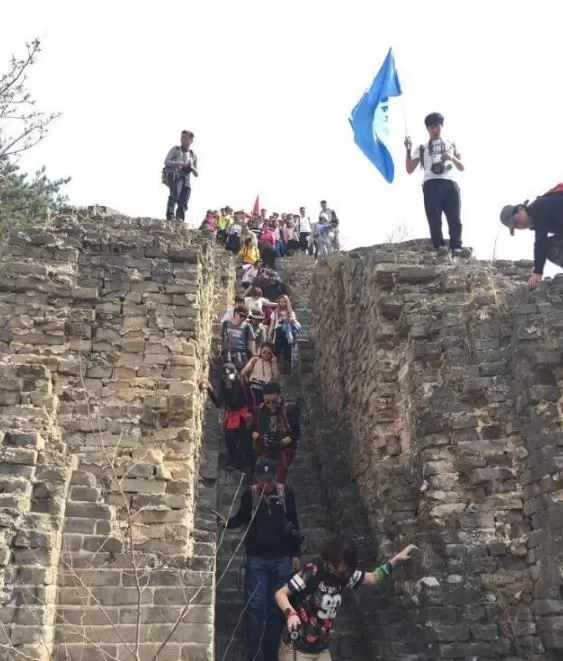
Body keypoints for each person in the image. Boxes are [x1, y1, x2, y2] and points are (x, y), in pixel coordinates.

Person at [275, 536, 418, 660]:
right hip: (296, 647)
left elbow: (374, 577)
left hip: (320, 649)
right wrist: (291, 614)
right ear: (330, 562)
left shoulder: (345, 575)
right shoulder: (313, 571)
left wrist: (396, 560)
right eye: (341, 567)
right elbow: (280, 594)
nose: (344, 572)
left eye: (347, 568)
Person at [216, 458, 302, 661]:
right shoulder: (250, 495)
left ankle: (271, 654)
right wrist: (227, 523)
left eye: (269, 480)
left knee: (276, 609)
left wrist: (296, 554)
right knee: (255, 608)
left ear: (275, 478)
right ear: (257, 478)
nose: (266, 484)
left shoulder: (285, 494)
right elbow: (243, 517)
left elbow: (295, 524)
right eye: (262, 480)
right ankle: (254, 654)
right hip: (257, 560)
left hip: (281, 559)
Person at [404, 112, 470, 258]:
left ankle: (456, 247)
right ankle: (439, 247)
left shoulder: (451, 144)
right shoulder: (422, 147)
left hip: (450, 182)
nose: (434, 130)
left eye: (437, 127)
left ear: (441, 126)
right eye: (431, 127)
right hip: (430, 183)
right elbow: (409, 169)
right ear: (427, 129)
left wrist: (451, 158)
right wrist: (408, 149)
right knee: (434, 218)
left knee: (455, 217)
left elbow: (461, 167)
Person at [500, 184, 563, 290]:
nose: (519, 226)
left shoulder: (539, 207)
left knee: (546, 246)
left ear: (521, 209)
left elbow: (540, 242)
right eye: (516, 227)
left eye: (516, 221)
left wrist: (537, 272)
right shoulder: (539, 215)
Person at [203, 363, 254, 471]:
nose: (228, 380)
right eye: (225, 378)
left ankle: (251, 465)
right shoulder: (223, 386)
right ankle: (236, 460)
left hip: (244, 413)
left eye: (230, 377)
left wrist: (250, 412)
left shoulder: (241, 383)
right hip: (233, 414)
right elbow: (218, 403)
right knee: (229, 437)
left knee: (246, 440)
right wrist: (210, 389)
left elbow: (250, 398)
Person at [252, 382, 301, 484]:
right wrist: (257, 436)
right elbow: (252, 429)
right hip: (264, 451)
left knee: (278, 482)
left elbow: (296, 433)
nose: (270, 405)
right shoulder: (259, 410)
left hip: (282, 453)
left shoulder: (289, 410)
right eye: (267, 402)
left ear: (278, 396)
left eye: (273, 401)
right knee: (261, 482)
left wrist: (281, 443)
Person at [163, 130, 198, 221]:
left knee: (184, 198)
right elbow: (166, 161)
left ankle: (180, 218)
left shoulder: (192, 154)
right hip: (175, 175)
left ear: (191, 141)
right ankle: (170, 215)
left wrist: (191, 166)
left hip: (186, 178)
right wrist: (181, 163)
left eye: (186, 138)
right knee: (174, 195)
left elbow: (196, 173)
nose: (183, 140)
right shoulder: (175, 149)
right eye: (182, 138)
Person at [241, 342, 280, 408]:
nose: (266, 355)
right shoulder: (255, 360)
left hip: (264, 390)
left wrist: (275, 363)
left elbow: (276, 378)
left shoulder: (272, 363)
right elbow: (242, 373)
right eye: (264, 352)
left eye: (269, 353)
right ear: (261, 351)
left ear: (272, 354)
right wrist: (250, 364)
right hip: (252, 388)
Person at [269, 295, 300, 373]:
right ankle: (275, 369)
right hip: (278, 332)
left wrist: (290, 320)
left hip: (287, 333)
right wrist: (270, 334)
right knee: (276, 351)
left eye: (284, 301)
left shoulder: (291, 312)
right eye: (281, 301)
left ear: (287, 302)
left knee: (288, 351)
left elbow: (294, 323)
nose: (282, 303)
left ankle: (287, 370)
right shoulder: (275, 312)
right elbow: (272, 324)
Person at [221, 306, 256, 370]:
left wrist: (252, 359)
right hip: (229, 355)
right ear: (236, 313)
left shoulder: (247, 326)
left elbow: (251, 342)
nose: (243, 318)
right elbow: (222, 340)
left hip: (242, 356)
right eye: (241, 315)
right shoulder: (226, 324)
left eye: (245, 317)